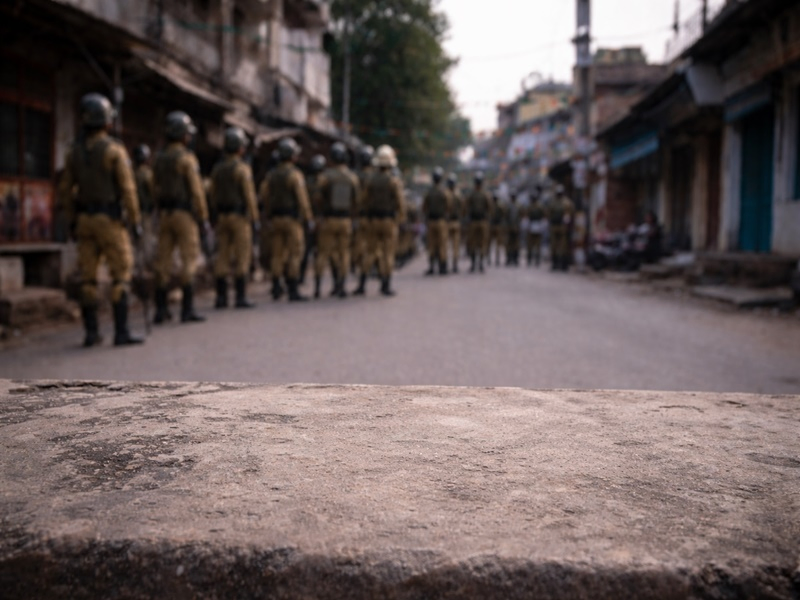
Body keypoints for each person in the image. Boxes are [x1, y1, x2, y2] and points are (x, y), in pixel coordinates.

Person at [58, 93, 144, 347]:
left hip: (84, 221)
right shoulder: (113, 150)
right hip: (109, 222)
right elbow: (128, 190)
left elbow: (65, 191)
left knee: (88, 278)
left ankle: (91, 333)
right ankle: (120, 332)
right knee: (120, 274)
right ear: (106, 121)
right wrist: (135, 220)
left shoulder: (74, 152)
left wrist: (73, 220)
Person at [152, 111, 210, 323]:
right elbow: (196, 191)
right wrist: (203, 217)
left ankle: (160, 309)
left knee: (163, 262)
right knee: (188, 259)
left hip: (165, 215)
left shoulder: (158, 159)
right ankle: (187, 310)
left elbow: (154, 187)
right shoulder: (186, 159)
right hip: (184, 215)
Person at [208, 126, 259, 309]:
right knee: (242, 256)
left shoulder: (218, 169)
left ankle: (221, 298)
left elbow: (212, 194)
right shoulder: (242, 169)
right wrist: (255, 219)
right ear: (239, 147)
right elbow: (249, 196)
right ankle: (240, 297)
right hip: (239, 218)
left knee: (222, 255)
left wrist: (213, 214)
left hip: (222, 217)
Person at [260, 137, 313, 301]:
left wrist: (267, 216)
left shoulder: (271, 176)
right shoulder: (295, 175)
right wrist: (308, 218)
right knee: (295, 253)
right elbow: (302, 200)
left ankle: (276, 286)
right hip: (291, 220)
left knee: (277, 253)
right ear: (292, 156)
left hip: (275, 219)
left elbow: (264, 197)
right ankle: (292, 288)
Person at [353, 145, 406, 296]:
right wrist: (400, 220)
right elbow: (400, 203)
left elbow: (363, 200)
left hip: (372, 221)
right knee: (387, 253)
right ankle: (385, 285)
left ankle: (362, 285)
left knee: (370, 252)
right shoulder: (394, 181)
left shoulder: (370, 180)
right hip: (388, 221)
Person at [313, 142, 360, 299]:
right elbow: (357, 201)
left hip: (328, 219)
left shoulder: (325, 177)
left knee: (323, 253)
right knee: (344, 253)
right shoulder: (352, 178)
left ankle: (318, 288)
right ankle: (341, 286)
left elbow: (317, 198)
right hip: (345, 220)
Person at [300, 154, 326, 286]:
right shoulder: (326, 181)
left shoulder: (305, 182)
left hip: (308, 220)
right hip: (321, 219)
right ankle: (320, 281)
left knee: (305, 250)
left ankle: (300, 278)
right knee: (321, 251)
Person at [422, 167, 452, 276]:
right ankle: (442, 267)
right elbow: (448, 206)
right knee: (442, 244)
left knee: (431, 244)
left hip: (431, 221)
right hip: (441, 221)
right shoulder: (445, 192)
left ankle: (431, 267)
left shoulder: (429, 192)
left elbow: (424, 207)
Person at [351, 145, 374, 276]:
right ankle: (368, 270)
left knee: (358, 243)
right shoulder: (375, 177)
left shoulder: (354, 177)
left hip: (358, 216)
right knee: (372, 246)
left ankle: (358, 266)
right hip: (372, 217)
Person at [465, 171, 491, 273]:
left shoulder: (471, 194)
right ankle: (479, 264)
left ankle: (474, 264)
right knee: (481, 243)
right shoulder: (485, 194)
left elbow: (466, 207)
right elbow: (490, 208)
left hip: (474, 221)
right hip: (482, 221)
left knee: (474, 243)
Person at [548, 184, 575, 272]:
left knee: (563, 246)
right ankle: (555, 263)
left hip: (563, 227)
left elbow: (570, 214)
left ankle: (564, 264)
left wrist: (568, 224)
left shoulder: (567, 203)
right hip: (554, 226)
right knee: (554, 245)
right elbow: (549, 213)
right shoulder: (553, 202)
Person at [446, 172, 463, 274]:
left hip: (447, 223)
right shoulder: (458, 194)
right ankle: (455, 265)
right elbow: (463, 208)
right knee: (455, 245)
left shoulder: (445, 193)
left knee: (446, 245)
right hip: (456, 222)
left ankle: (444, 264)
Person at [526, 192, 546, 267]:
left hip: (538, 225)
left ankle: (537, 260)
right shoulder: (530, 206)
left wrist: (542, 225)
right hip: (531, 225)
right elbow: (527, 216)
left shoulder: (539, 207)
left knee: (537, 245)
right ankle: (529, 259)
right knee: (530, 245)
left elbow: (544, 216)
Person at [489, 193, 507, 267]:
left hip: (494, 226)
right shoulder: (500, 206)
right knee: (496, 244)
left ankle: (492, 258)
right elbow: (504, 214)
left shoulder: (492, 206)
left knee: (493, 244)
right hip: (496, 226)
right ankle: (495, 259)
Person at [505, 193, 522, 266]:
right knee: (510, 243)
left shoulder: (518, 206)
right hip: (510, 227)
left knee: (515, 244)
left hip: (516, 227)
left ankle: (515, 258)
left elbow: (521, 216)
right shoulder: (509, 206)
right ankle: (509, 258)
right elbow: (506, 216)